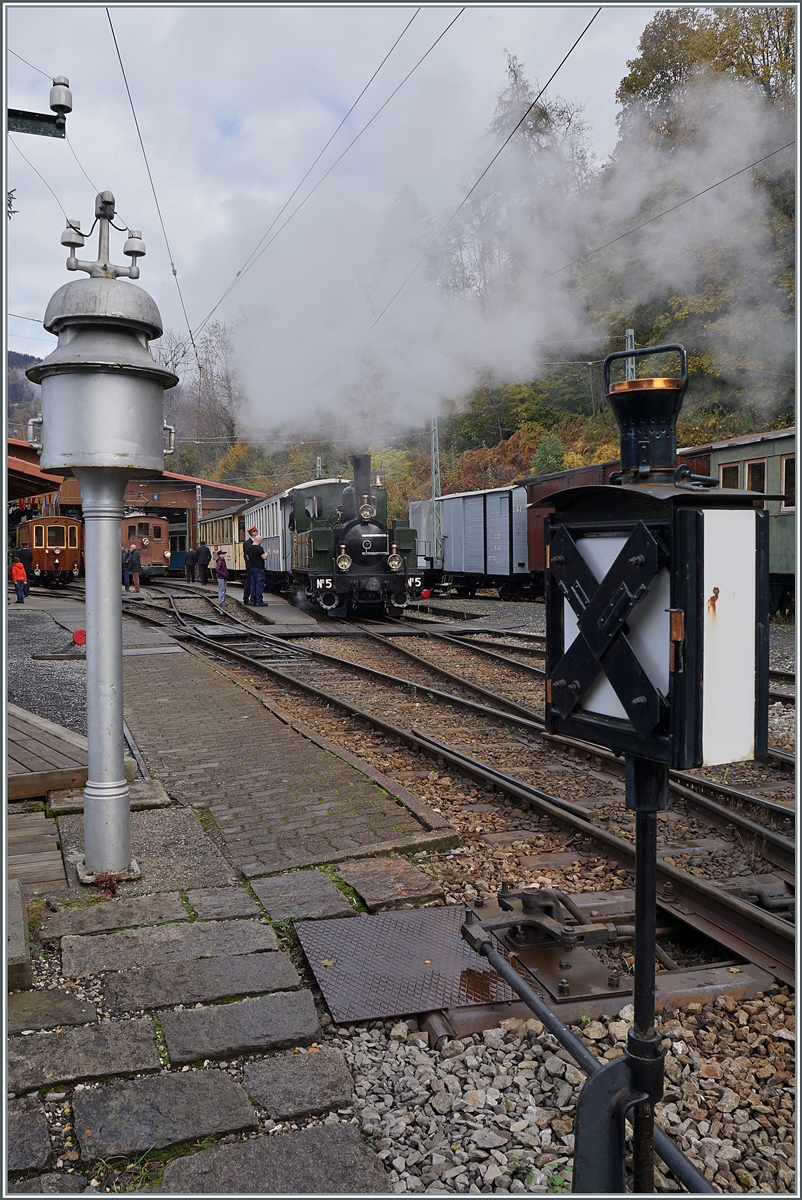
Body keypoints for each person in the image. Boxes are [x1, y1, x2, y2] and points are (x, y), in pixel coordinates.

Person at [245, 535, 268, 606]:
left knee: (253, 584)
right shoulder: (259, 548)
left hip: (251, 568)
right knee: (259, 584)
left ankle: (252, 600)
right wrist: (266, 554)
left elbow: (248, 558)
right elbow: (264, 557)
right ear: (259, 541)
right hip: (259, 568)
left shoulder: (248, 548)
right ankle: (259, 601)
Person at [242, 525, 259, 604]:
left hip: (255, 565)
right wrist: (249, 563)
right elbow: (246, 555)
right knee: (249, 582)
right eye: (256, 531)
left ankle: (253, 598)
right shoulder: (247, 543)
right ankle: (246, 598)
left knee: (254, 582)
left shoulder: (256, 542)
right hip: (250, 565)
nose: (257, 532)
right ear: (252, 533)